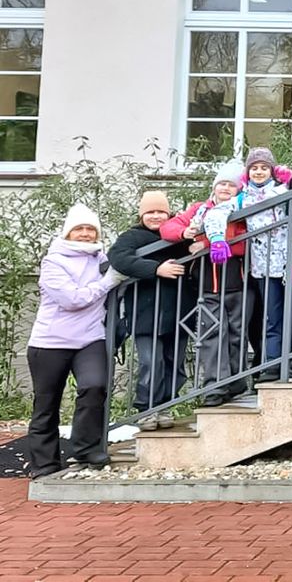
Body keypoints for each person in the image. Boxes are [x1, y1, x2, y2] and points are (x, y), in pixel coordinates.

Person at [26, 204, 126, 477]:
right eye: (79, 229)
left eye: (90, 229)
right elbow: (72, 299)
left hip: (89, 339)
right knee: (47, 404)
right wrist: (108, 283)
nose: (85, 234)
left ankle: (85, 448)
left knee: (94, 387)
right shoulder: (53, 261)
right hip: (50, 343)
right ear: (68, 232)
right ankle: (44, 465)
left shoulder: (101, 258)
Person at [205, 148, 292, 378]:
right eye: (254, 168)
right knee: (272, 317)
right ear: (248, 172)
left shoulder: (286, 192)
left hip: (291, 265)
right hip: (264, 268)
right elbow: (215, 213)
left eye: (264, 168)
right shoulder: (243, 198)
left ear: (272, 171)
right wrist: (216, 238)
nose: (259, 172)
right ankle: (272, 362)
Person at [161, 160, 250, 406]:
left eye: (231, 185)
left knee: (236, 335)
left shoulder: (242, 209)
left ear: (239, 189)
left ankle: (236, 381)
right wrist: (184, 234)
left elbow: (246, 240)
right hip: (207, 286)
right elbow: (168, 227)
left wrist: (207, 243)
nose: (225, 188)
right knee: (211, 335)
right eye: (221, 183)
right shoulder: (200, 210)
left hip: (237, 281)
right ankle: (215, 386)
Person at [108, 191, 192, 428]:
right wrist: (156, 269)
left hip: (178, 312)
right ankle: (146, 409)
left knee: (175, 365)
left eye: (161, 211)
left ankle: (165, 407)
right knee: (150, 362)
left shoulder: (179, 236)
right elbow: (118, 258)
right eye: (150, 212)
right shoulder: (132, 237)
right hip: (146, 314)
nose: (156, 216)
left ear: (169, 213)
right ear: (141, 214)